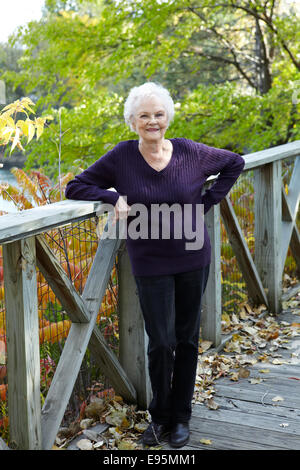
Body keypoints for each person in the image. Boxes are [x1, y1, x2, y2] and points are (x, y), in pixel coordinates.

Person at [65, 82, 245, 448]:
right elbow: (75, 186)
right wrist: (110, 196)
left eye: (158, 114)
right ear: (132, 122)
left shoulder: (191, 153)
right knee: (161, 343)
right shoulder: (122, 157)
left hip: (193, 257)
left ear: (168, 118)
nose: (152, 121)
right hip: (150, 261)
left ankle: (181, 417)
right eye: (144, 116)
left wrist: (207, 201)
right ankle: (159, 417)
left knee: (187, 339)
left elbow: (234, 162)